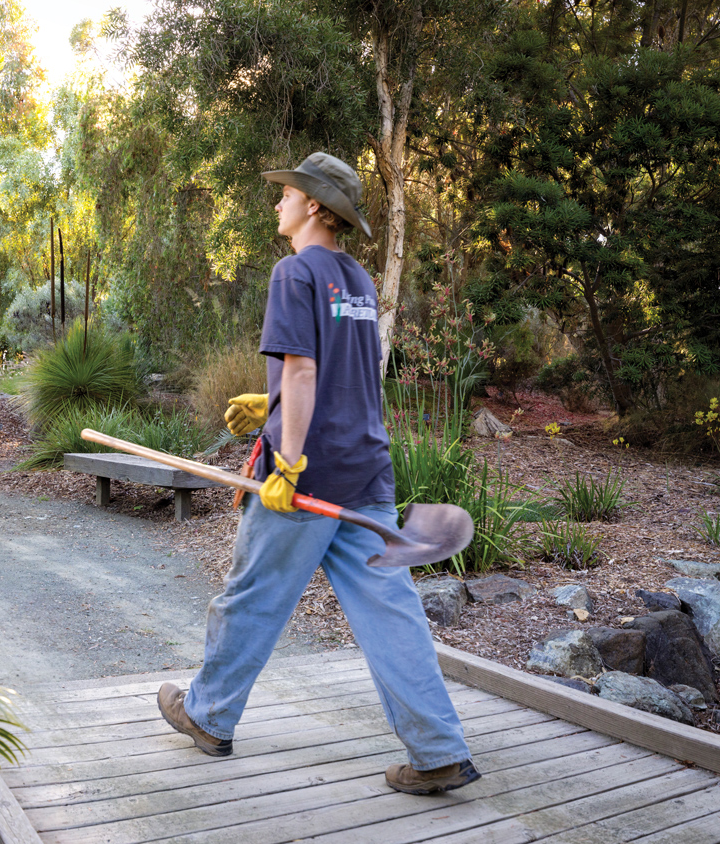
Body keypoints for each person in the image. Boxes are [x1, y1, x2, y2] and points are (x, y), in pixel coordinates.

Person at [155, 152, 481, 795]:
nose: (278, 202)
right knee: (390, 610)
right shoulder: (357, 280)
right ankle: (439, 747)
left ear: (314, 205)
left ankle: (208, 714)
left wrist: (290, 459)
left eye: (288, 193)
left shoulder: (294, 274)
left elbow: (304, 370)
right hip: (366, 469)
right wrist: (267, 399)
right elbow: (338, 373)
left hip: (307, 475)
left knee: (252, 596)